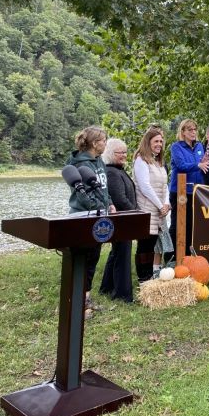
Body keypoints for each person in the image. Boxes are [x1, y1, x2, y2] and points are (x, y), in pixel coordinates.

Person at [65, 126, 116, 314]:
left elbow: (103, 188)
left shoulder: (99, 161)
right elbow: (83, 196)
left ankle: (85, 299)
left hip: (100, 215)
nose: (106, 143)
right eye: (104, 140)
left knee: (93, 258)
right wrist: (97, 208)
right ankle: (75, 301)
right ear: (95, 143)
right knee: (82, 260)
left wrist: (109, 203)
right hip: (83, 216)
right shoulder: (79, 164)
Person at [99, 138, 136, 303]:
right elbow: (120, 199)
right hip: (122, 220)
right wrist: (135, 212)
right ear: (110, 153)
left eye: (125, 152)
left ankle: (106, 287)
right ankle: (122, 293)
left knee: (116, 253)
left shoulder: (118, 169)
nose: (124, 155)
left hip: (125, 219)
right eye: (120, 152)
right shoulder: (112, 172)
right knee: (122, 255)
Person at [134, 127, 172, 281]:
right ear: (148, 142)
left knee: (153, 245)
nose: (159, 144)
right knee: (145, 246)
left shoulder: (158, 162)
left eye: (161, 141)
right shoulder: (140, 160)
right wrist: (160, 205)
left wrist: (167, 203)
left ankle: (151, 276)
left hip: (159, 211)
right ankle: (143, 278)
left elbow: (165, 185)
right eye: (156, 141)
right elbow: (145, 186)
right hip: (147, 209)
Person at [169, 119, 207, 257]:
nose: (193, 132)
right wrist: (198, 165)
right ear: (183, 132)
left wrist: (206, 165)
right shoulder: (176, 147)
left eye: (195, 129)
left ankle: (188, 256)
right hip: (180, 192)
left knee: (192, 225)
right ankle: (173, 256)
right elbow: (181, 166)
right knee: (178, 225)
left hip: (196, 192)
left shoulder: (199, 147)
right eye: (190, 130)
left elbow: (203, 165)